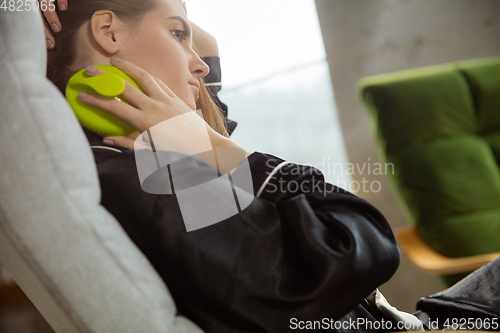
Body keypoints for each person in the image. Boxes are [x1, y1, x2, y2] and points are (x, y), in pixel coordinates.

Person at [44, 0, 406, 332]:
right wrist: (213, 147)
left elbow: (207, 45)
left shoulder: (133, 154)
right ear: (108, 31)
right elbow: (360, 243)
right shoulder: (150, 179)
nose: (201, 65)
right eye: (177, 33)